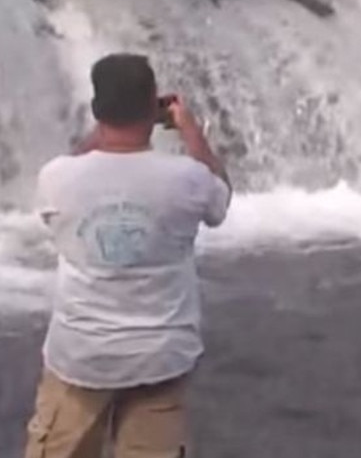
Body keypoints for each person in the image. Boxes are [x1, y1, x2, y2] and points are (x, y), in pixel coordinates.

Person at [23, 52, 232, 458]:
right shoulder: (187, 179)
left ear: (98, 109)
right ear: (151, 106)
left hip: (80, 358)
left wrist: (100, 133)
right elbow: (220, 198)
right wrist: (191, 132)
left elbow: (78, 161)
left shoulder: (57, 177)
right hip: (160, 358)